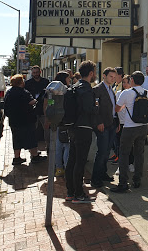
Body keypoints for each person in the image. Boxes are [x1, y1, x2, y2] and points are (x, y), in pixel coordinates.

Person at [111, 71, 148, 192]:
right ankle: (137, 179)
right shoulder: (147, 93)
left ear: (132, 81)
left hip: (130, 127)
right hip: (143, 127)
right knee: (139, 154)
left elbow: (117, 108)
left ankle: (123, 183)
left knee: (124, 154)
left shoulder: (126, 93)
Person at [65, 60, 100, 203]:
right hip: (83, 128)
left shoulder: (74, 87)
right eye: (95, 72)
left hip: (72, 127)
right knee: (80, 162)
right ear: (91, 73)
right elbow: (88, 109)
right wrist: (96, 106)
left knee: (72, 160)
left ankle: (70, 192)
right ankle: (79, 194)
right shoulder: (86, 89)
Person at [4, 74, 46, 165]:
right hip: (26, 120)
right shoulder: (24, 92)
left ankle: (17, 157)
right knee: (30, 137)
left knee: (16, 139)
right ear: (20, 82)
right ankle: (34, 156)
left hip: (14, 120)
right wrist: (37, 100)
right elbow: (31, 102)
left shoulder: (9, 92)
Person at [91, 67, 119, 188]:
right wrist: (98, 122)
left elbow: (113, 108)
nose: (112, 79)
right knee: (102, 152)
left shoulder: (111, 89)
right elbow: (95, 108)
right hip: (102, 125)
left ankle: (103, 174)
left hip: (112, 123)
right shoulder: (97, 89)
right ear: (104, 76)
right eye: (110, 76)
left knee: (107, 151)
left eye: (114, 77)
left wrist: (116, 123)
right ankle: (95, 178)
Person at [43, 71, 72, 177]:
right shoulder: (66, 91)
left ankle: (59, 167)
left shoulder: (51, 89)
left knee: (58, 146)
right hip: (64, 121)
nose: (70, 80)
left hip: (56, 120)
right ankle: (65, 168)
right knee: (66, 146)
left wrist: (48, 118)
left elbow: (48, 104)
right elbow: (48, 103)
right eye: (68, 78)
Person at [24, 65, 50, 150]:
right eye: (34, 73)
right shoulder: (27, 83)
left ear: (40, 72)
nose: (35, 74)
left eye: (37, 72)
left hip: (44, 109)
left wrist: (50, 105)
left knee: (47, 130)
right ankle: (32, 149)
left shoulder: (46, 82)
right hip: (32, 110)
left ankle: (48, 147)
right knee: (32, 130)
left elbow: (50, 97)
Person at [110, 67, 126, 163]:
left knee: (118, 139)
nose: (113, 78)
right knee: (114, 139)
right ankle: (116, 154)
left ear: (120, 75)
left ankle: (119, 156)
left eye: (115, 75)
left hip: (120, 116)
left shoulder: (122, 87)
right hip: (114, 115)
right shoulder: (115, 86)